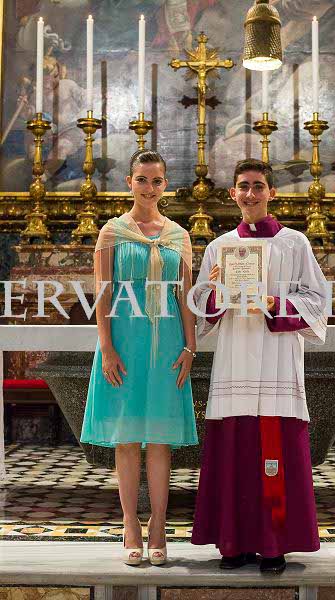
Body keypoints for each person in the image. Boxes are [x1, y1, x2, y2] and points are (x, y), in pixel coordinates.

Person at [191, 158, 327, 574]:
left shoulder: (294, 243)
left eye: (258, 186)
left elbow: (317, 300)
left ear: (271, 192)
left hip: (277, 359)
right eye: (243, 186)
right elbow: (201, 308)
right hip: (234, 359)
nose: (250, 194)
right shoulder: (219, 247)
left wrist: (273, 302)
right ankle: (232, 542)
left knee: (275, 449)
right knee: (234, 449)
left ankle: (273, 544)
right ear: (233, 193)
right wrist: (216, 292)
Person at [81, 149, 198, 566]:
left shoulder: (179, 236)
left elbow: (185, 296)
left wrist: (190, 346)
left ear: (166, 185)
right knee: (127, 439)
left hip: (167, 345)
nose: (149, 187)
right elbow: (104, 292)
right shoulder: (111, 232)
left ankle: (159, 524)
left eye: (157, 180)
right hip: (124, 344)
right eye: (142, 179)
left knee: (161, 441)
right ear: (129, 182)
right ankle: (130, 523)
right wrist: (107, 347)